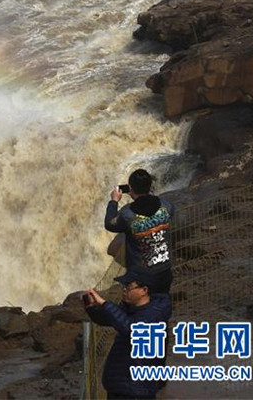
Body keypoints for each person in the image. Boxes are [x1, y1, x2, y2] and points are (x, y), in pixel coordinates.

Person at [84, 269, 172, 400]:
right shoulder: (131, 309)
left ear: (144, 290)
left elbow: (132, 329)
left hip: (136, 389)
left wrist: (105, 303)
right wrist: (91, 307)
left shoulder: (155, 313)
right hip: (121, 386)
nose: (124, 290)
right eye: (124, 287)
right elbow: (107, 319)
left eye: (129, 287)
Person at [105, 169, 174, 294]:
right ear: (150, 186)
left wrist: (114, 201)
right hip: (164, 269)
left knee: (141, 304)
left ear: (130, 189)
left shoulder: (127, 215)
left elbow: (110, 224)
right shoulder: (166, 206)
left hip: (141, 276)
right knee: (162, 300)